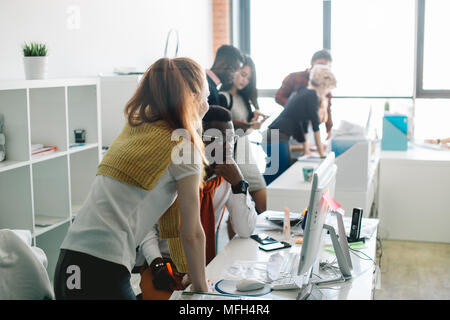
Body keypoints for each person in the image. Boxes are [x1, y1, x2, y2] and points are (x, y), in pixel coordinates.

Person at [53, 57, 211, 299]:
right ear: (191, 97)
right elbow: (191, 233)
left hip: (68, 262)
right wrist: (202, 290)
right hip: (101, 269)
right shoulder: (182, 147)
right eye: (205, 98)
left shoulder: (134, 130)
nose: (207, 107)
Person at [135, 106, 257, 299]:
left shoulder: (227, 177)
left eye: (231, 139)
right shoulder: (175, 170)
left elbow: (245, 230)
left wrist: (239, 185)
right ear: (198, 138)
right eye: (217, 139)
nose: (226, 146)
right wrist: (156, 262)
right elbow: (146, 226)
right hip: (165, 263)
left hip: (205, 265)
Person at [262, 64, 337, 183]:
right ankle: (257, 199)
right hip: (277, 136)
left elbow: (304, 125)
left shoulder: (303, 91)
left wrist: (306, 149)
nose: (327, 93)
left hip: (276, 135)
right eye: (328, 90)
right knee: (276, 176)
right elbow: (316, 125)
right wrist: (322, 154)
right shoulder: (312, 95)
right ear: (324, 85)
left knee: (278, 173)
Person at [219, 55, 268, 213]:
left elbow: (244, 129)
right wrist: (248, 125)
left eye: (248, 78)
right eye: (243, 74)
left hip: (244, 151)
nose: (244, 80)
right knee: (239, 204)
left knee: (256, 197)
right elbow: (226, 128)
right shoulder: (224, 97)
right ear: (233, 71)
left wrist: (253, 123)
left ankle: (254, 235)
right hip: (234, 153)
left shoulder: (243, 99)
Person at [275, 49, 334, 138]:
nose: (323, 69)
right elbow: (279, 97)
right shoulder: (295, 79)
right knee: (279, 149)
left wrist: (329, 131)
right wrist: (296, 109)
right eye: (321, 65)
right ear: (312, 63)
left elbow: (327, 111)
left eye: (327, 67)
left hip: (291, 133)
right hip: (279, 133)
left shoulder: (323, 90)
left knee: (302, 148)